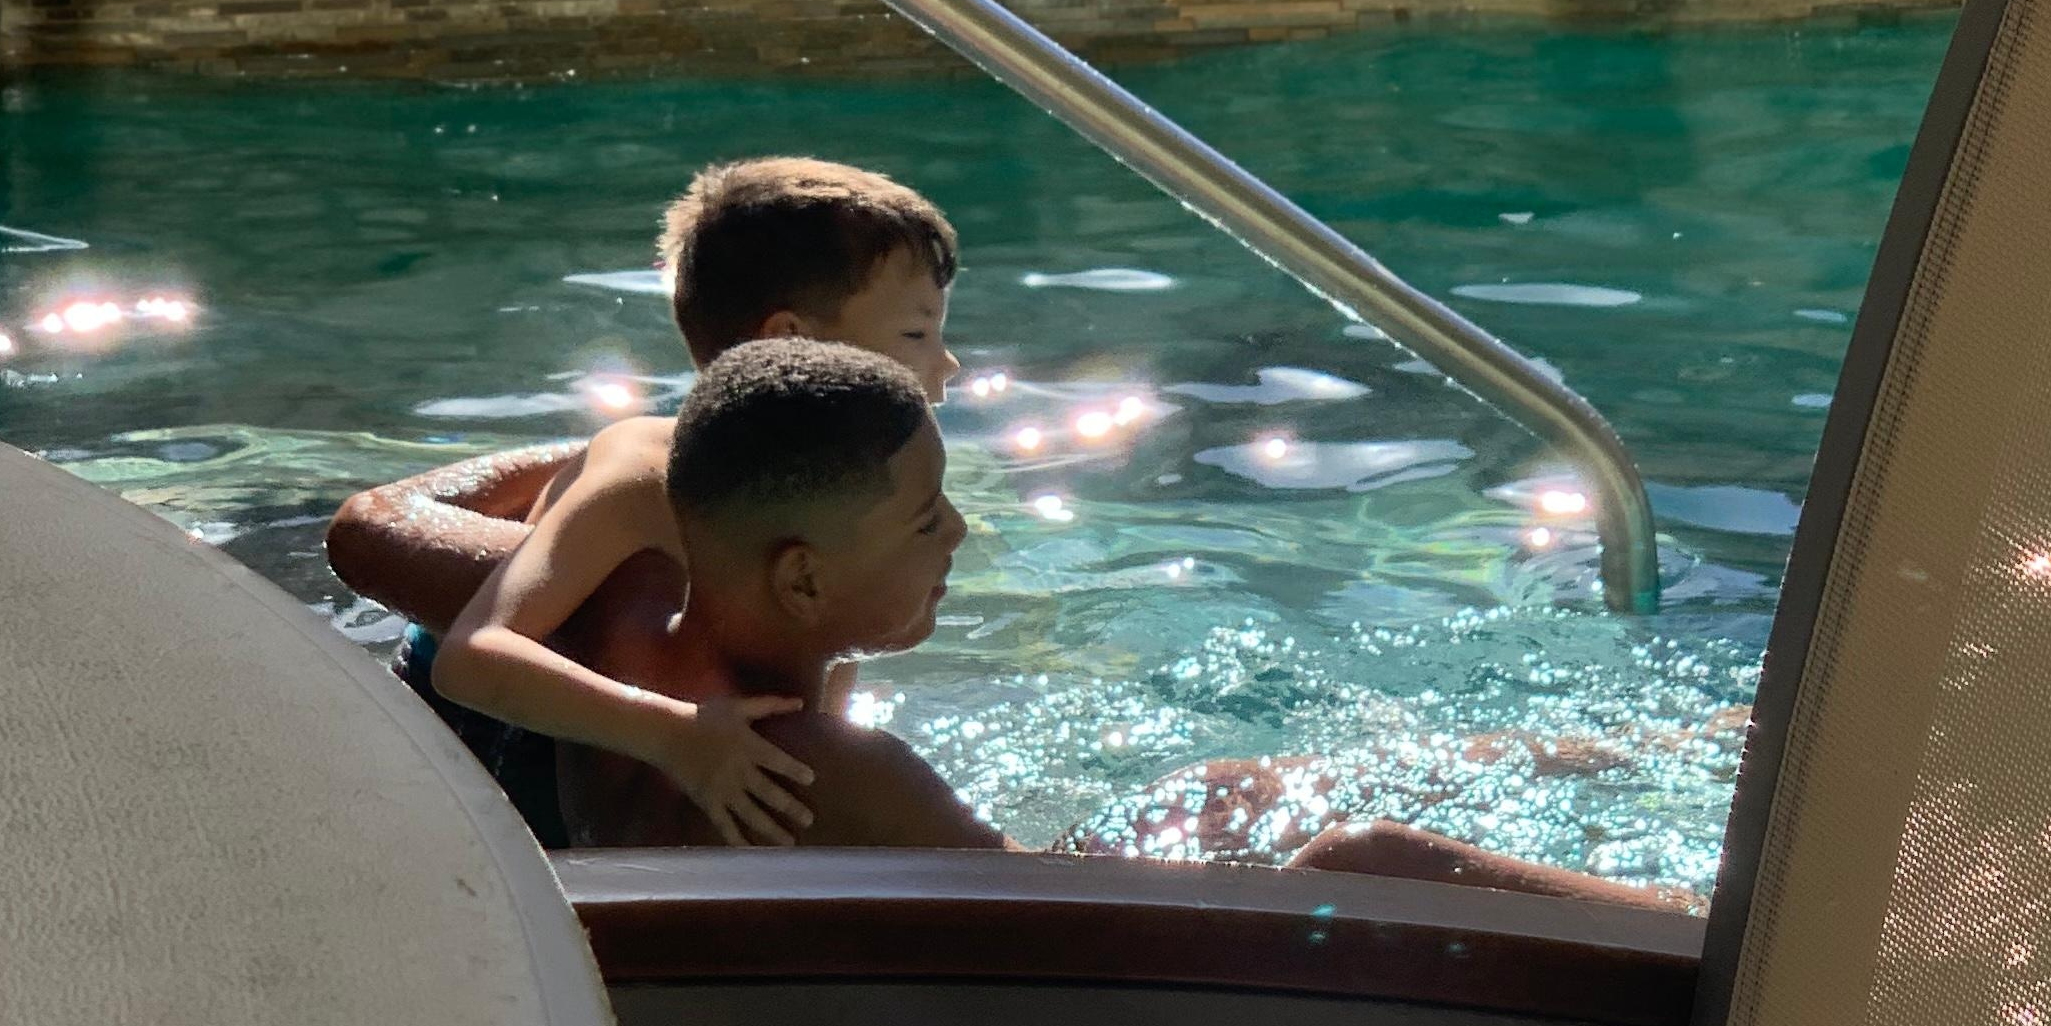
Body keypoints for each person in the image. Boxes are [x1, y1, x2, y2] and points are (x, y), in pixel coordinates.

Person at [511, 335, 1685, 911]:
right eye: (924, 519)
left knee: (1222, 788)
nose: (960, 532)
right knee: (1371, 863)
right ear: (805, 582)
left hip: (890, 973)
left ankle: (1644, 750)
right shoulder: (824, 767)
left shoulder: (621, 646)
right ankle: (1727, 948)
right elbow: (1062, 927)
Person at [324, 153, 958, 846]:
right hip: (503, 732)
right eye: (916, 334)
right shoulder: (641, 477)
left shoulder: (845, 500)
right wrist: (676, 735)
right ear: (789, 341)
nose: (948, 363)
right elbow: (475, 656)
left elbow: (819, 666)